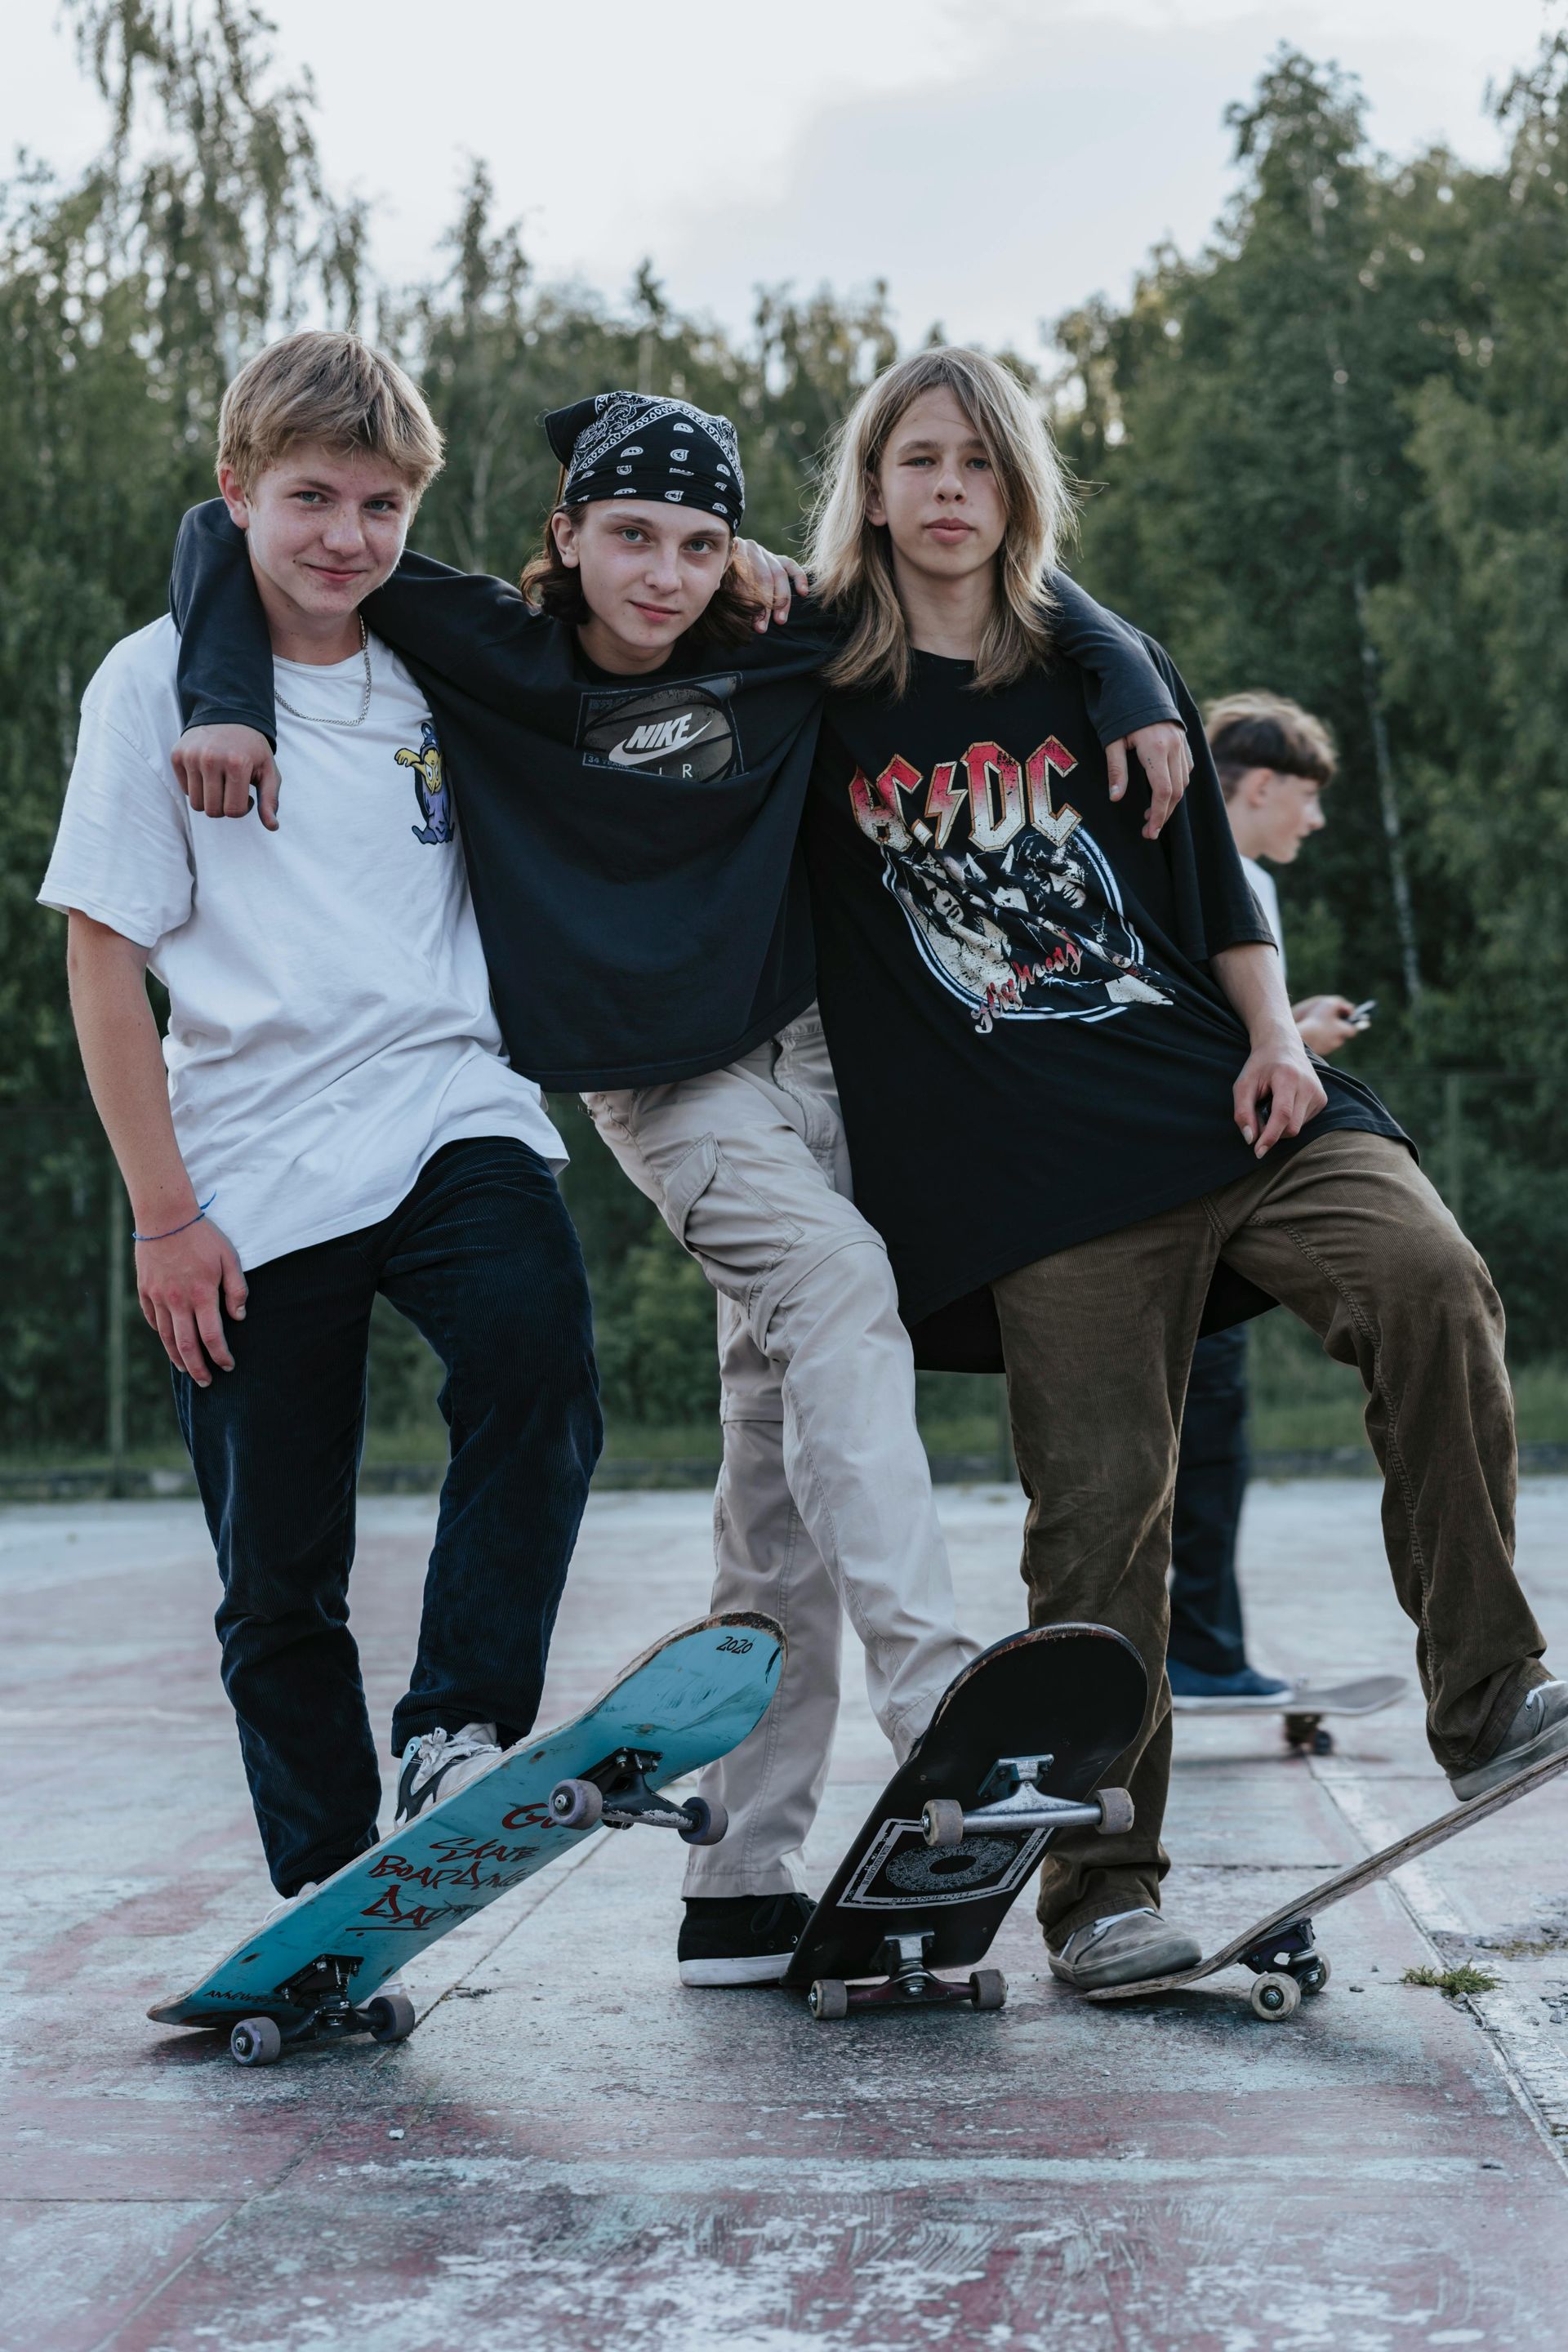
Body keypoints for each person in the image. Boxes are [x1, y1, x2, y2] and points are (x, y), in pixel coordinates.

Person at [163, 369, 1192, 1985]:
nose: (663, 577)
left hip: (831, 1065)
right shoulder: (484, 645)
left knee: (781, 1473)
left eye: (699, 545)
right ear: (566, 534)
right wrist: (224, 696)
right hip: (669, 1096)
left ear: (734, 556)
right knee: (840, 1293)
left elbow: (992, 576)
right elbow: (220, 534)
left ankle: (742, 1880)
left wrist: (1132, 681)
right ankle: (940, 1701)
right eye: (631, 537)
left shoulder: (776, 635)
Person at [797, 344, 1567, 1993]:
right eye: (921, 460)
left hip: (1222, 1097)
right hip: (1038, 1176)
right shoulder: (819, 677)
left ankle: (1490, 1693)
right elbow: (661, 609)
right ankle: (1102, 1894)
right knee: (1099, 1515)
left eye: (981, 464)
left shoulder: (1106, 665)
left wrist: (1279, 1038)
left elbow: (1216, 888)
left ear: (1019, 488)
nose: (950, 490)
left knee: (1433, 1282)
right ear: (873, 485)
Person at [38, 332, 603, 1901]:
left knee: (537, 1359)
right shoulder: (152, 680)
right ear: (236, 494)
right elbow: (101, 961)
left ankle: (457, 1730)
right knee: (277, 1566)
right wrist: (163, 1215)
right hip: (249, 1158)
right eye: (310, 500)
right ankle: (329, 1888)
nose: (347, 537)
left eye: (379, 505)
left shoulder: (438, 664)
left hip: (448, 1100)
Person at [1167, 691, 1366, 1702]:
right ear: (1257, 789)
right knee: (1207, 1430)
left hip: (1180, 1185)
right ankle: (1198, 1652)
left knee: (1188, 1429)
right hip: (1200, 1189)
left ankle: (1189, 1645)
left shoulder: (1196, 869)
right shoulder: (1233, 877)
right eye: (1307, 798)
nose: (1316, 820)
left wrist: (1291, 1025)